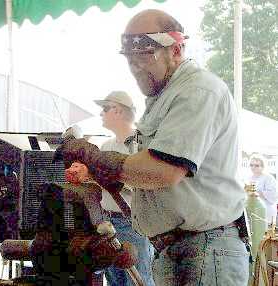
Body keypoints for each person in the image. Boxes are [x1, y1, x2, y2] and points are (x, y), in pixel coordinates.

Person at [59, 9, 249, 285]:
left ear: (176, 49)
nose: (136, 67)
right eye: (131, 60)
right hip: (178, 247)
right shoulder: (164, 97)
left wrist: (99, 160)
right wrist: (102, 172)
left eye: (145, 56)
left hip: (206, 247)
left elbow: (164, 172)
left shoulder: (197, 91)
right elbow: (152, 182)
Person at [94, 91, 155, 286]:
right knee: (114, 280)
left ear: (118, 111)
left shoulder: (141, 146)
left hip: (133, 223)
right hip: (108, 222)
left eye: (105, 109)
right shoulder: (105, 146)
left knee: (138, 280)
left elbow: (147, 183)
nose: (101, 114)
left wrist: (115, 178)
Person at [248, 154, 278, 225]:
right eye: (251, 165)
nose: (253, 167)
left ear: (262, 166)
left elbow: (273, 194)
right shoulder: (248, 177)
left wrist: (255, 192)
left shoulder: (268, 178)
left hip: (266, 209)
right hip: (252, 209)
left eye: (257, 165)